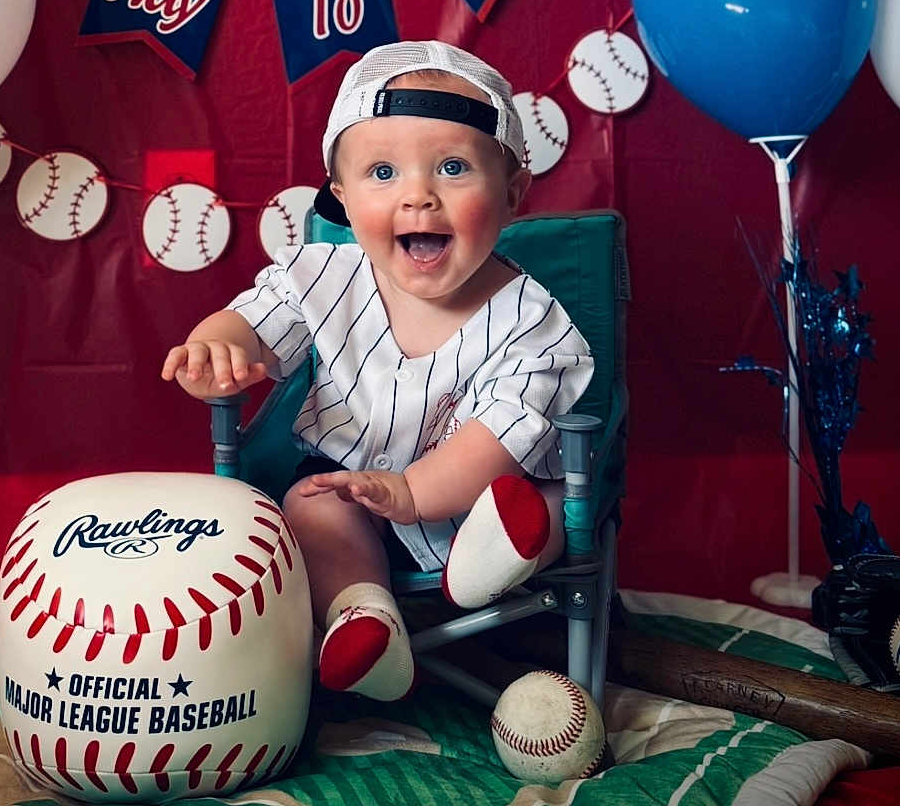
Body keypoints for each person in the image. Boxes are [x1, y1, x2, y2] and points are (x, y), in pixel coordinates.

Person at [161, 41, 594, 701]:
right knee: (312, 505)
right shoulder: (323, 275)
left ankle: (495, 561)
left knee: (549, 504)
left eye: (452, 168)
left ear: (511, 196)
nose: (418, 197)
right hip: (353, 493)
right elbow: (253, 319)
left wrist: (414, 493)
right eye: (383, 173)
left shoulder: (534, 323)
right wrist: (214, 346)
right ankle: (365, 620)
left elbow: (495, 441)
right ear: (341, 195)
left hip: (476, 498)